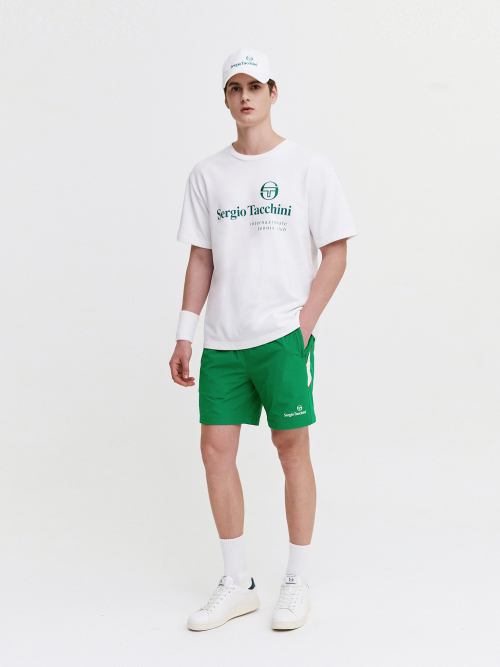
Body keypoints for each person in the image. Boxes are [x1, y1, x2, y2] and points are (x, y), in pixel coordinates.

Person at [170, 47, 357, 632]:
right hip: (224, 340)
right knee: (215, 451)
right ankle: (237, 583)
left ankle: (296, 579)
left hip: (281, 337)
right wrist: (185, 334)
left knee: (291, 448)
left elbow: (336, 252)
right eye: (235, 88)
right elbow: (201, 259)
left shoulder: (308, 167)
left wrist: (303, 325)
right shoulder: (207, 174)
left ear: (274, 92)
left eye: (255, 86)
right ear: (226, 99)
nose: (245, 96)